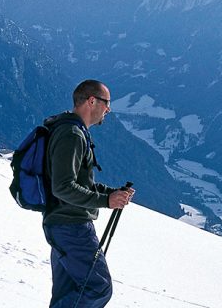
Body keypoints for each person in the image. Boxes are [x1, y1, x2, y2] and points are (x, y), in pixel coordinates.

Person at [42, 80, 135, 308]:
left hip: (60, 224)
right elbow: (63, 187)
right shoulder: (72, 134)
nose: (108, 109)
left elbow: (80, 182)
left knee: (69, 291)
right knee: (97, 288)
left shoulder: (68, 129)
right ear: (92, 101)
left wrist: (113, 193)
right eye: (106, 103)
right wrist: (106, 200)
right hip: (72, 227)